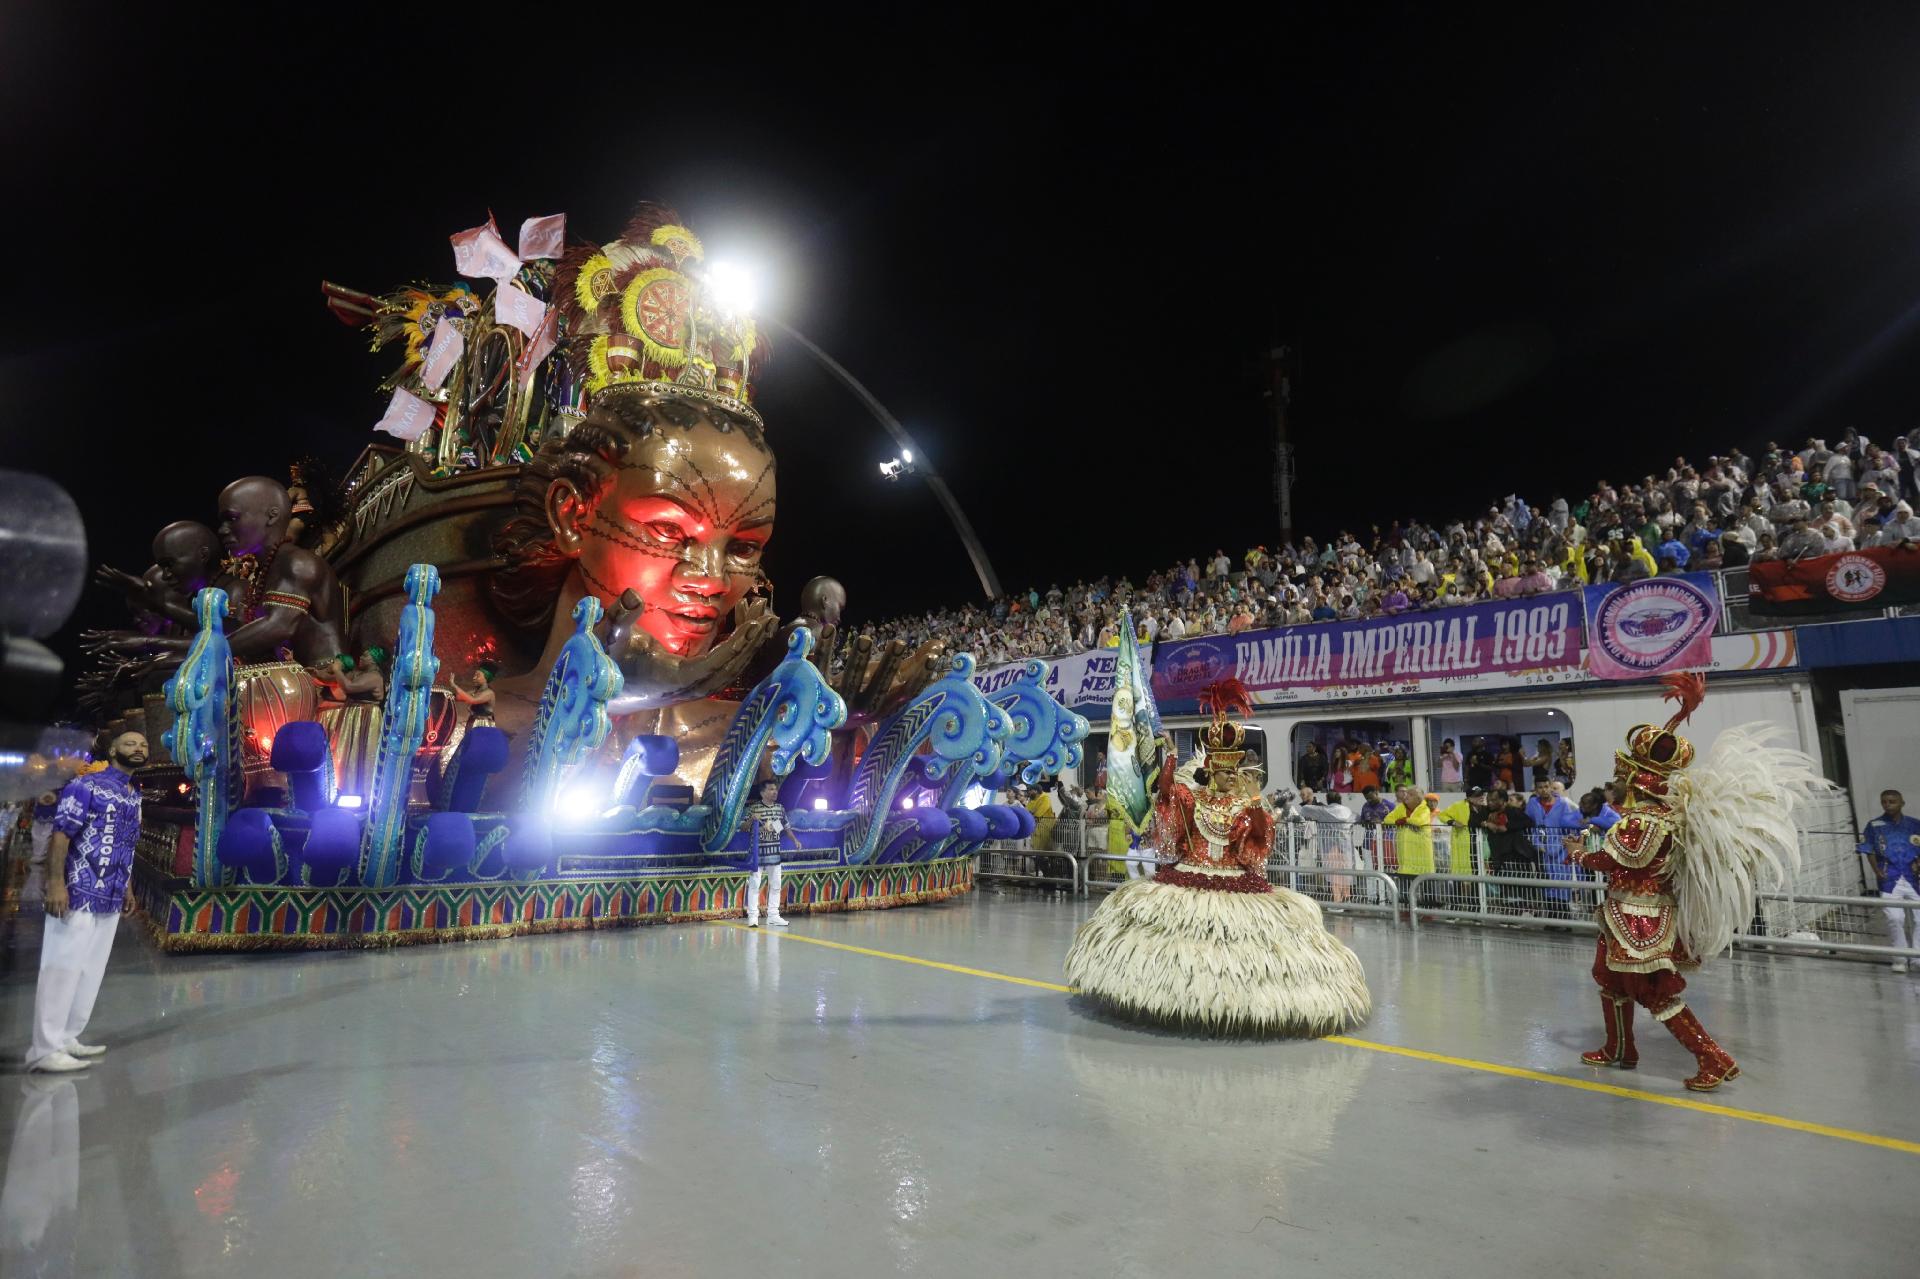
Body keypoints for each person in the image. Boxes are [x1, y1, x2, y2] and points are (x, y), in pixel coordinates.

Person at [1063, 679, 1370, 1034]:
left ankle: (1245, 1006)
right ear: (1212, 772)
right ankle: (1173, 998)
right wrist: (1171, 757)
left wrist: (1257, 814)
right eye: (1224, 772)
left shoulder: (1244, 803)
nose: (1230, 778)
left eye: (1233, 772)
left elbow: (1258, 843)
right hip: (1189, 876)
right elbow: (1168, 796)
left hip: (1235, 883)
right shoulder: (1195, 800)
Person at [1565, 674, 1824, 1090]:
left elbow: (1622, 859)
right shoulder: (1656, 817)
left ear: (1635, 779)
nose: (1617, 780)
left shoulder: (1644, 821)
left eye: (1623, 774)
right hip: (1622, 911)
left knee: (1653, 993)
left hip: (1640, 916)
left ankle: (1712, 1058)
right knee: (1609, 979)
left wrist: (1580, 854)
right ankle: (1619, 1048)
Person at [26, 731, 146, 1074]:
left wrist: (127, 887)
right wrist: (55, 883)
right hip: (77, 891)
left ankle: (66, 1037)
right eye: (130, 743)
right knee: (61, 968)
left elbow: (128, 845)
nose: (138, 749)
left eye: (143, 745)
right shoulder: (87, 787)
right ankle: (43, 1049)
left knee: (89, 971)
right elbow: (61, 833)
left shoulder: (132, 796)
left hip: (110, 895)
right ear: (112, 750)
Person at [1859, 789, 1920, 972]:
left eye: (1892, 801)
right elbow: (1867, 849)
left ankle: (1917, 958)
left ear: (1902, 803)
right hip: (1889, 878)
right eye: (1884, 802)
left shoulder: (1915, 824)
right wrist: (1877, 870)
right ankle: (1900, 958)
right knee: (1895, 918)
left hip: (1914, 878)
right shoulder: (1874, 825)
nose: (1888, 805)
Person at [741, 779, 801, 927]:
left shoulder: (780, 808)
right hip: (757, 853)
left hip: (774, 853)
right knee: (755, 885)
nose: (775, 791)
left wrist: (795, 840)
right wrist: (753, 822)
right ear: (763, 792)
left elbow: (785, 826)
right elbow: (743, 828)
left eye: (776, 789)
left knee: (776, 885)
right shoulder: (754, 808)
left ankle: (773, 915)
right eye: (771, 789)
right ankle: (753, 917)